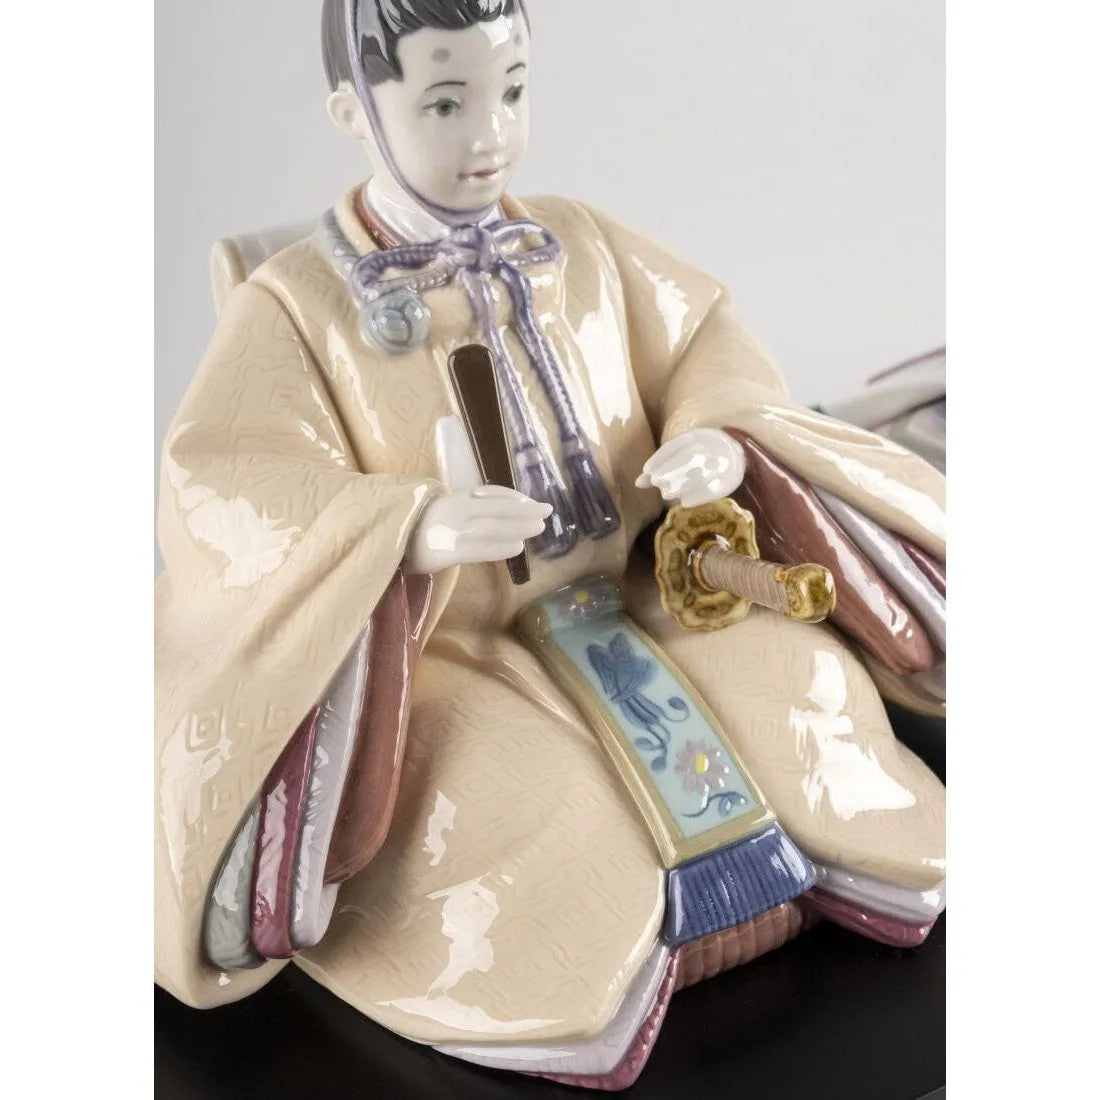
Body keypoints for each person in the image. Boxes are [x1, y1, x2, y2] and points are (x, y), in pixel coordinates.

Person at [155, 0, 946, 1087]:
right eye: (446, 101)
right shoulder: (295, 306)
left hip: (643, 593)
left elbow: (703, 340)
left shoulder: (579, 241)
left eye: (512, 90)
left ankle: (828, 866)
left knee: (797, 680)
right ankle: (596, 975)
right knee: (504, 802)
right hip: (453, 650)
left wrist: (712, 435)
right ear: (353, 111)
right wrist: (406, 528)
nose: (490, 132)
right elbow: (224, 481)